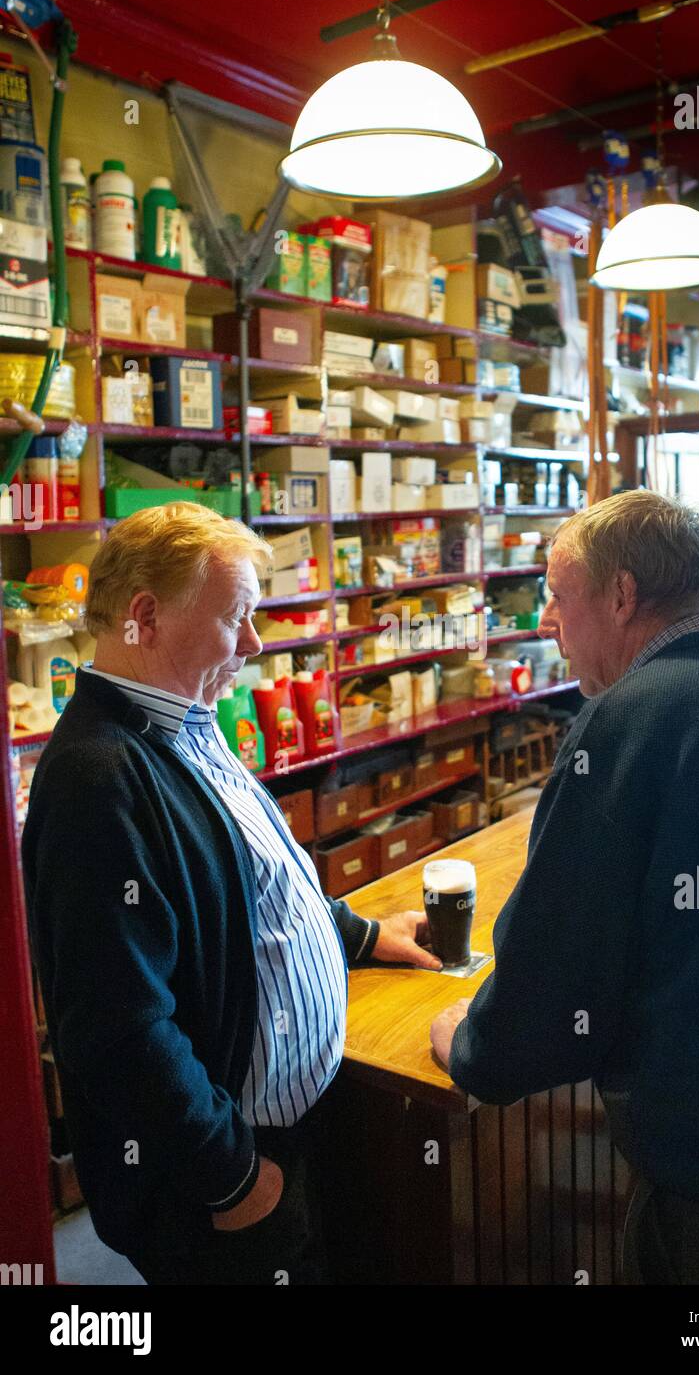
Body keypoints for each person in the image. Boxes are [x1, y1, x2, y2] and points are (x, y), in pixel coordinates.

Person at [431, 490, 699, 1285]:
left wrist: (471, 1043)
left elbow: (555, 968)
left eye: (559, 600)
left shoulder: (629, 719)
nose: (547, 625)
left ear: (623, 595)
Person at [24, 503, 440, 1285]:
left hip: (289, 1129)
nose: (255, 643)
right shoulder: (98, 777)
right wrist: (233, 1178)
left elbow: (252, 882)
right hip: (218, 1176)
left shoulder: (187, 721)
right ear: (145, 617)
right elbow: (115, 1028)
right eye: (238, 618)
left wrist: (354, 934)